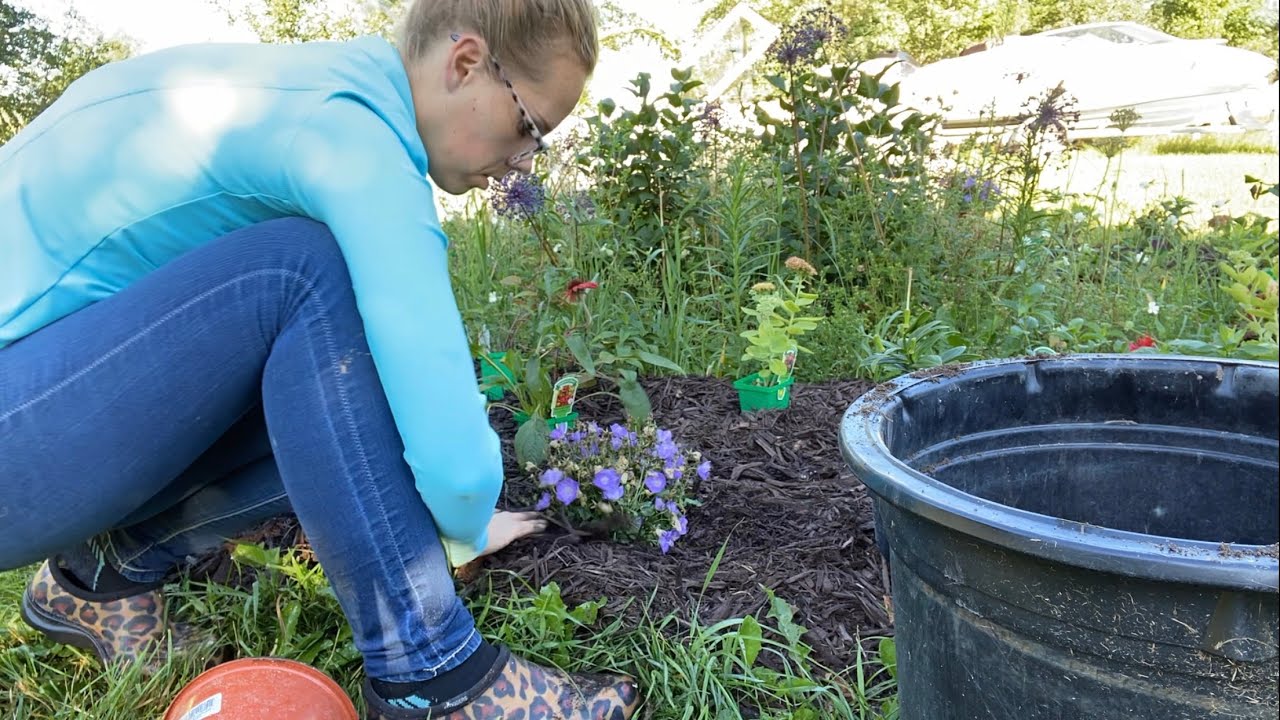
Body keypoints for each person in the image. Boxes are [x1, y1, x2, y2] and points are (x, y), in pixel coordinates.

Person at [0, 0, 639, 717]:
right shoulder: (350, 131)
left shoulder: (308, 88)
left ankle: (103, 577)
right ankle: (435, 675)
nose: (524, 163)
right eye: (530, 128)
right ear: (465, 64)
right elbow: (438, 413)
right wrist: (466, 514)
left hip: (34, 410)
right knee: (303, 271)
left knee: (333, 368)